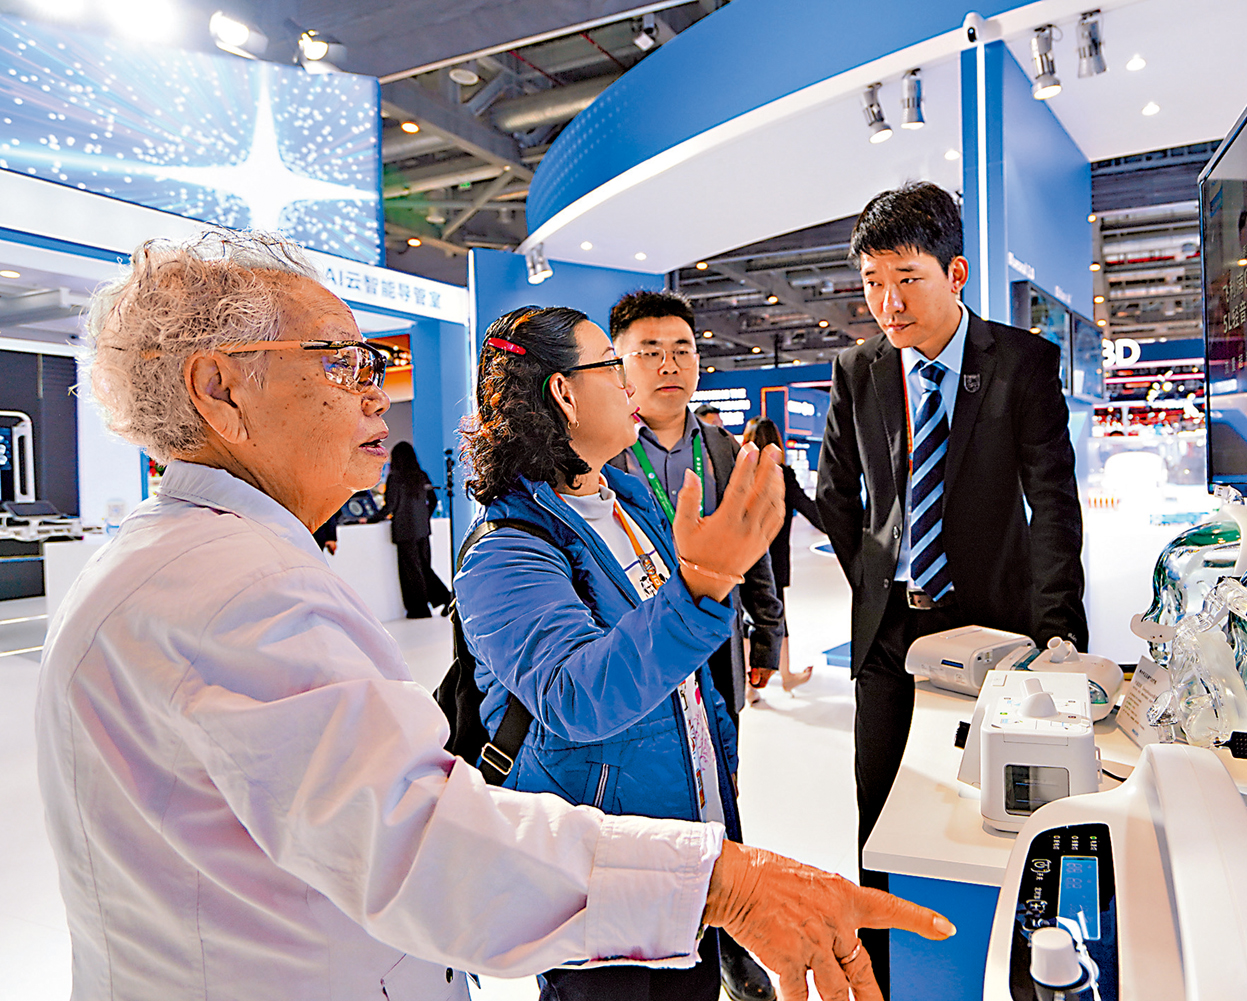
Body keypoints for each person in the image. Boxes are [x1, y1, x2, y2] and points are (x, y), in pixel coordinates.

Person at [36, 230, 954, 1001]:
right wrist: (725, 883)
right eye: (341, 360)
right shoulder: (236, 589)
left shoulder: (216, 562)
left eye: (372, 362)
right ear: (220, 388)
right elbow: (422, 840)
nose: (375, 390)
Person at [816, 182, 1086, 995]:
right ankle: (881, 977)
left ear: (955, 272)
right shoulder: (859, 369)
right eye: (873, 282)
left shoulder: (1021, 364)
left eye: (907, 279)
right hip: (892, 634)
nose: (888, 303)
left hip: (995, 626)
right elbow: (836, 495)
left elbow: (1052, 503)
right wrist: (873, 582)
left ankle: (1013, 966)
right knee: (878, 816)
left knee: (1000, 812)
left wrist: (1057, 633)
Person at [608, 290, 785, 734]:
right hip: (632, 644)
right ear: (618, 364)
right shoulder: (601, 453)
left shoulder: (724, 449)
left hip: (716, 638)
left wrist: (768, 632)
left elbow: (752, 545)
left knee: (722, 752)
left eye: (682, 351)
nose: (669, 366)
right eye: (650, 352)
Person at [742, 417, 821, 693]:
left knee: (745, 619)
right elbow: (810, 509)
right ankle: (785, 675)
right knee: (776, 616)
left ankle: (750, 685)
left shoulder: (740, 474)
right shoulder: (783, 475)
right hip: (774, 561)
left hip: (743, 557)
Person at [379, 440, 453, 617]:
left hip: (404, 530)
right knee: (424, 567)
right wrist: (424, 516)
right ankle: (446, 598)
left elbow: (390, 506)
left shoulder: (395, 478)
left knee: (411, 571)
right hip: (422, 529)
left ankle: (419, 609)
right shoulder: (421, 475)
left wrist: (371, 518)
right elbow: (433, 500)